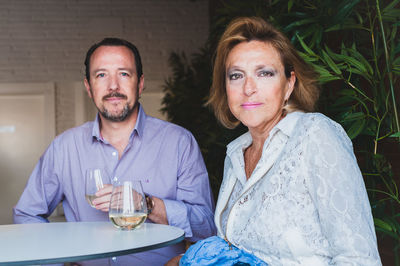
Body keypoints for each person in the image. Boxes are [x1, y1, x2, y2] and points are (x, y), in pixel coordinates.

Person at [175, 17, 382, 265]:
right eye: (236, 75)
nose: (248, 88)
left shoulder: (315, 135)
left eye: (264, 73)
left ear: (289, 85)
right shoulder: (235, 153)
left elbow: (359, 258)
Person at [13, 37, 216, 265]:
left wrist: (147, 204)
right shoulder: (64, 148)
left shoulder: (179, 142)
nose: (113, 87)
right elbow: (27, 214)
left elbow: (206, 227)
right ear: (88, 87)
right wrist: (57, 261)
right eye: (101, 75)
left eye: (124, 74)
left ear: (140, 84)